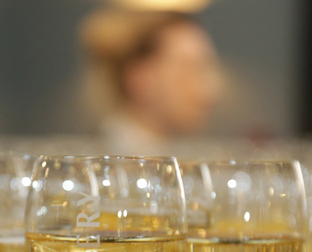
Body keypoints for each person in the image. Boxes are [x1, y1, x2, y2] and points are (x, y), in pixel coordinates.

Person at [80, 8, 223, 154]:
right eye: (190, 69)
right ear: (139, 77)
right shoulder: (102, 161)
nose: (211, 89)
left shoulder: (175, 153)